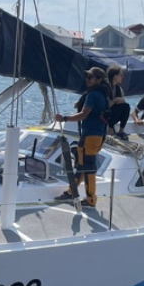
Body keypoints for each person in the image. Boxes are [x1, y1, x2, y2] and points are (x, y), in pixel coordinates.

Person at [54, 67, 109, 207]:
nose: (87, 79)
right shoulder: (103, 94)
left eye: (90, 77)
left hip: (90, 135)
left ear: (99, 80)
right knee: (83, 165)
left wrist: (64, 118)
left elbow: (83, 115)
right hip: (99, 135)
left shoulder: (93, 95)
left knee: (87, 166)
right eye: (87, 77)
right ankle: (72, 192)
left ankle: (90, 199)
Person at [105, 66, 130, 140]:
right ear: (114, 76)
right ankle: (110, 129)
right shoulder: (105, 88)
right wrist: (115, 100)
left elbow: (122, 103)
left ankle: (121, 131)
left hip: (113, 115)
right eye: (121, 75)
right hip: (103, 115)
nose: (122, 77)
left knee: (126, 106)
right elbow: (104, 106)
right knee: (118, 106)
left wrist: (120, 100)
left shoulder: (119, 89)